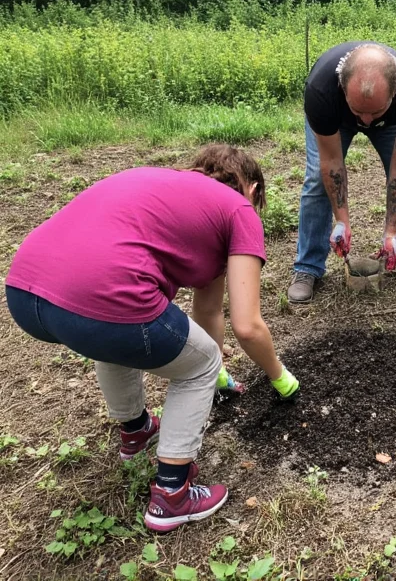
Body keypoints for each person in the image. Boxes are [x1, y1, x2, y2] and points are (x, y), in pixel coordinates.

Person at [5, 144, 299, 532]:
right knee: (198, 363)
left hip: (25, 294)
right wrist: (279, 376)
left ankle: (137, 431)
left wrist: (221, 376)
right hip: (99, 296)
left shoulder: (159, 183)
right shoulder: (239, 208)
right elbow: (247, 326)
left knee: (115, 333)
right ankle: (172, 494)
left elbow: (209, 310)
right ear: (253, 190)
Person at [288, 41, 396, 303]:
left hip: (392, 122)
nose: (366, 121)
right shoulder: (321, 91)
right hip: (337, 118)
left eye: (375, 111)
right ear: (342, 89)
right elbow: (331, 161)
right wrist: (342, 221)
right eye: (359, 110)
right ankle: (308, 267)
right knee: (317, 179)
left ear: (395, 92)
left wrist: (390, 231)